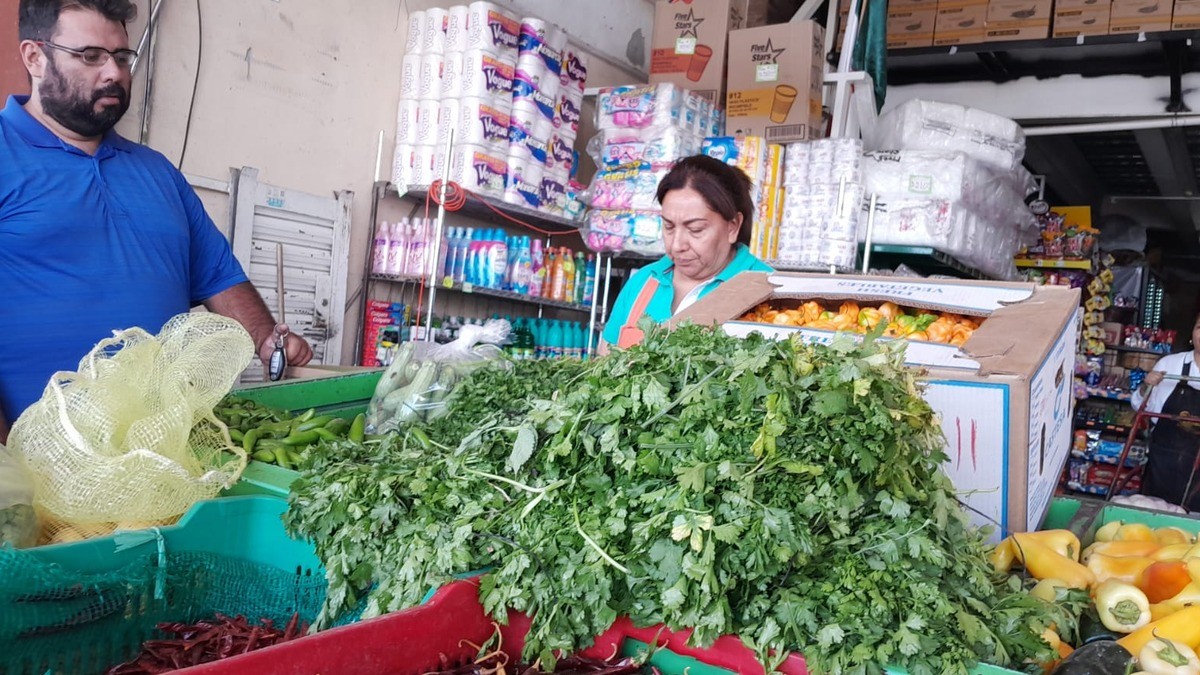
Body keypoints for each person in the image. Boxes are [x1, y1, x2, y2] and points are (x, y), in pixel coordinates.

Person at [0, 0, 312, 444]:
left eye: (122, 57)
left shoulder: (157, 173)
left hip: (158, 457)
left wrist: (266, 339)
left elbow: (219, 277)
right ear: (35, 57)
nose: (113, 73)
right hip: (34, 464)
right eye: (90, 56)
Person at [600, 155, 773, 351]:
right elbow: (603, 360)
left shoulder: (768, 290)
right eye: (669, 226)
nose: (676, 245)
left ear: (733, 227)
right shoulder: (643, 282)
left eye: (696, 229)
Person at [1130, 314, 1200, 510]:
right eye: (1199, 327)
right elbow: (1141, 406)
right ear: (1192, 333)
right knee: (1155, 514)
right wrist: (1146, 387)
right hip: (1165, 459)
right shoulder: (1170, 365)